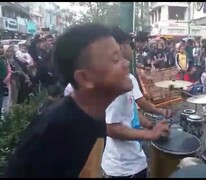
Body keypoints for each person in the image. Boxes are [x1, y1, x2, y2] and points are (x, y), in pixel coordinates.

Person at [4, 23, 133, 178]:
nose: (126, 63)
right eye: (115, 59)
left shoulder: (93, 114)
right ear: (84, 78)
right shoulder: (56, 131)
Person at [102, 27, 170, 178]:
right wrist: (150, 134)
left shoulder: (128, 78)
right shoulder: (114, 82)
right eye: (130, 45)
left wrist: (152, 125)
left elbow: (131, 109)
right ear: (119, 47)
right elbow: (111, 128)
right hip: (123, 169)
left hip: (134, 159)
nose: (132, 50)